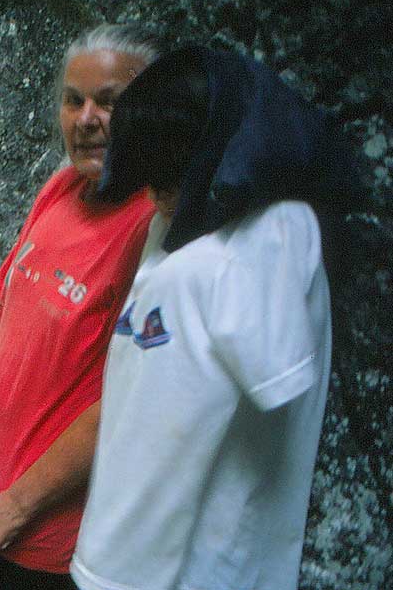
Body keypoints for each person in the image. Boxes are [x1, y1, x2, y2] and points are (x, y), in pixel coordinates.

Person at [71, 45, 357, 590]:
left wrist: (102, 576)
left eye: (164, 178)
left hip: (157, 572)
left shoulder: (204, 270)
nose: (153, 198)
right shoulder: (283, 233)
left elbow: (153, 453)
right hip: (240, 564)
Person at [0, 24, 162, 590]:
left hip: (39, 526)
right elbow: (3, 310)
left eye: (110, 102)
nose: (86, 118)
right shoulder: (62, 188)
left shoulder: (151, 231)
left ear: (150, 112)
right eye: (74, 100)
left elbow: (128, 398)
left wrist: (18, 506)